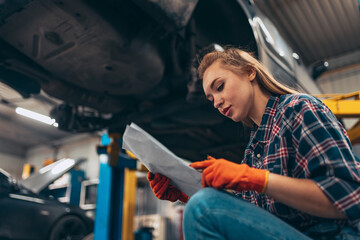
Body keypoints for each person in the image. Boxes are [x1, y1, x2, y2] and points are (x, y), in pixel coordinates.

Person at [147, 46, 360, 239]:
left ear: (250, 72)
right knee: (200, 205)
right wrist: (186, 194)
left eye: (219, 86)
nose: (217, 102)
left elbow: (349, 196)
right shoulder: (253, 151)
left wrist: (255, 179)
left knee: (203, 208)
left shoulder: (299, 109)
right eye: (211, 99)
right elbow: (246, 219)